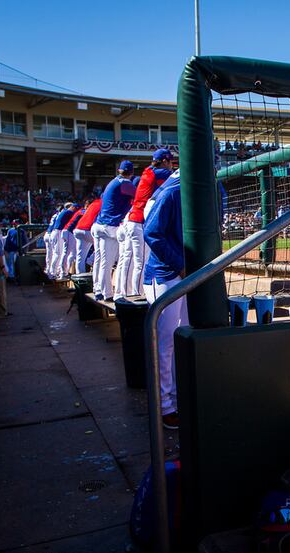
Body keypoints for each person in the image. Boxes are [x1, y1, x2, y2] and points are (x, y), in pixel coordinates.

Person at [143, 170, 187, 430]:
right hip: (165, 275)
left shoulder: (212, 188)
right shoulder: (172, 191)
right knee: (165, 342)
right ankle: (164, 407)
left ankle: (179, 398)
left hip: (187, 272)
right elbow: (153, 234)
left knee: (182, 337)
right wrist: (180, 265)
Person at [125, 149, 174, 297]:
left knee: (129, 260)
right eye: (170, 162)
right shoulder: (157, 172)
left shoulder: (148, 171)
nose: (172, 165)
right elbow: (177, 175)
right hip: (139, 220)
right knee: (141, 261)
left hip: (132, 219)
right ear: (164, 161)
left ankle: (126, 292)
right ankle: (137, 294)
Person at [91, 160, 136, 301]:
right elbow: (140, 196)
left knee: (100, 261)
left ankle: (98, 289)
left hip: (98, 225)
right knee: (107, 262)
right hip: (109, 227)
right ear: (132, 173)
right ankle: (107, 294)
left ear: (119, 171)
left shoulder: (113, 182)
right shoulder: (125, 183)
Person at [74, 196, 101, 275]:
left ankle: (80, 276)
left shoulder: (93, 204)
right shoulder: (104, 203)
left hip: (78, 229)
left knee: (80, 256)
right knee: (103, 247)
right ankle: (91, 260)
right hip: (88, 229)